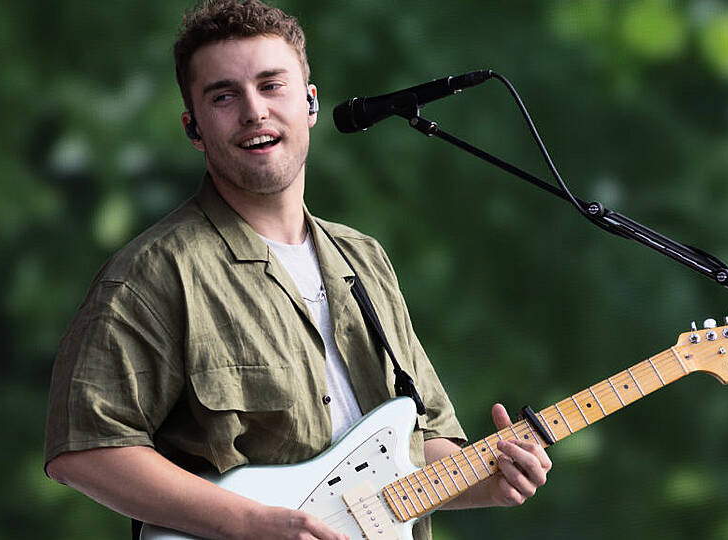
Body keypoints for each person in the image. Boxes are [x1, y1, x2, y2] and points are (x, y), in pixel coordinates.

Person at [43, 1, 551, 539]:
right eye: (224, 96)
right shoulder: (154, 274)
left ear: (310, 102)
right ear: (193, 129)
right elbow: (85, 450)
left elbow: (419, 446)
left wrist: (487, 481)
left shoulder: (365, 260)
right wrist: (250, 523)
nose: (254, 111)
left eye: (271, 85)